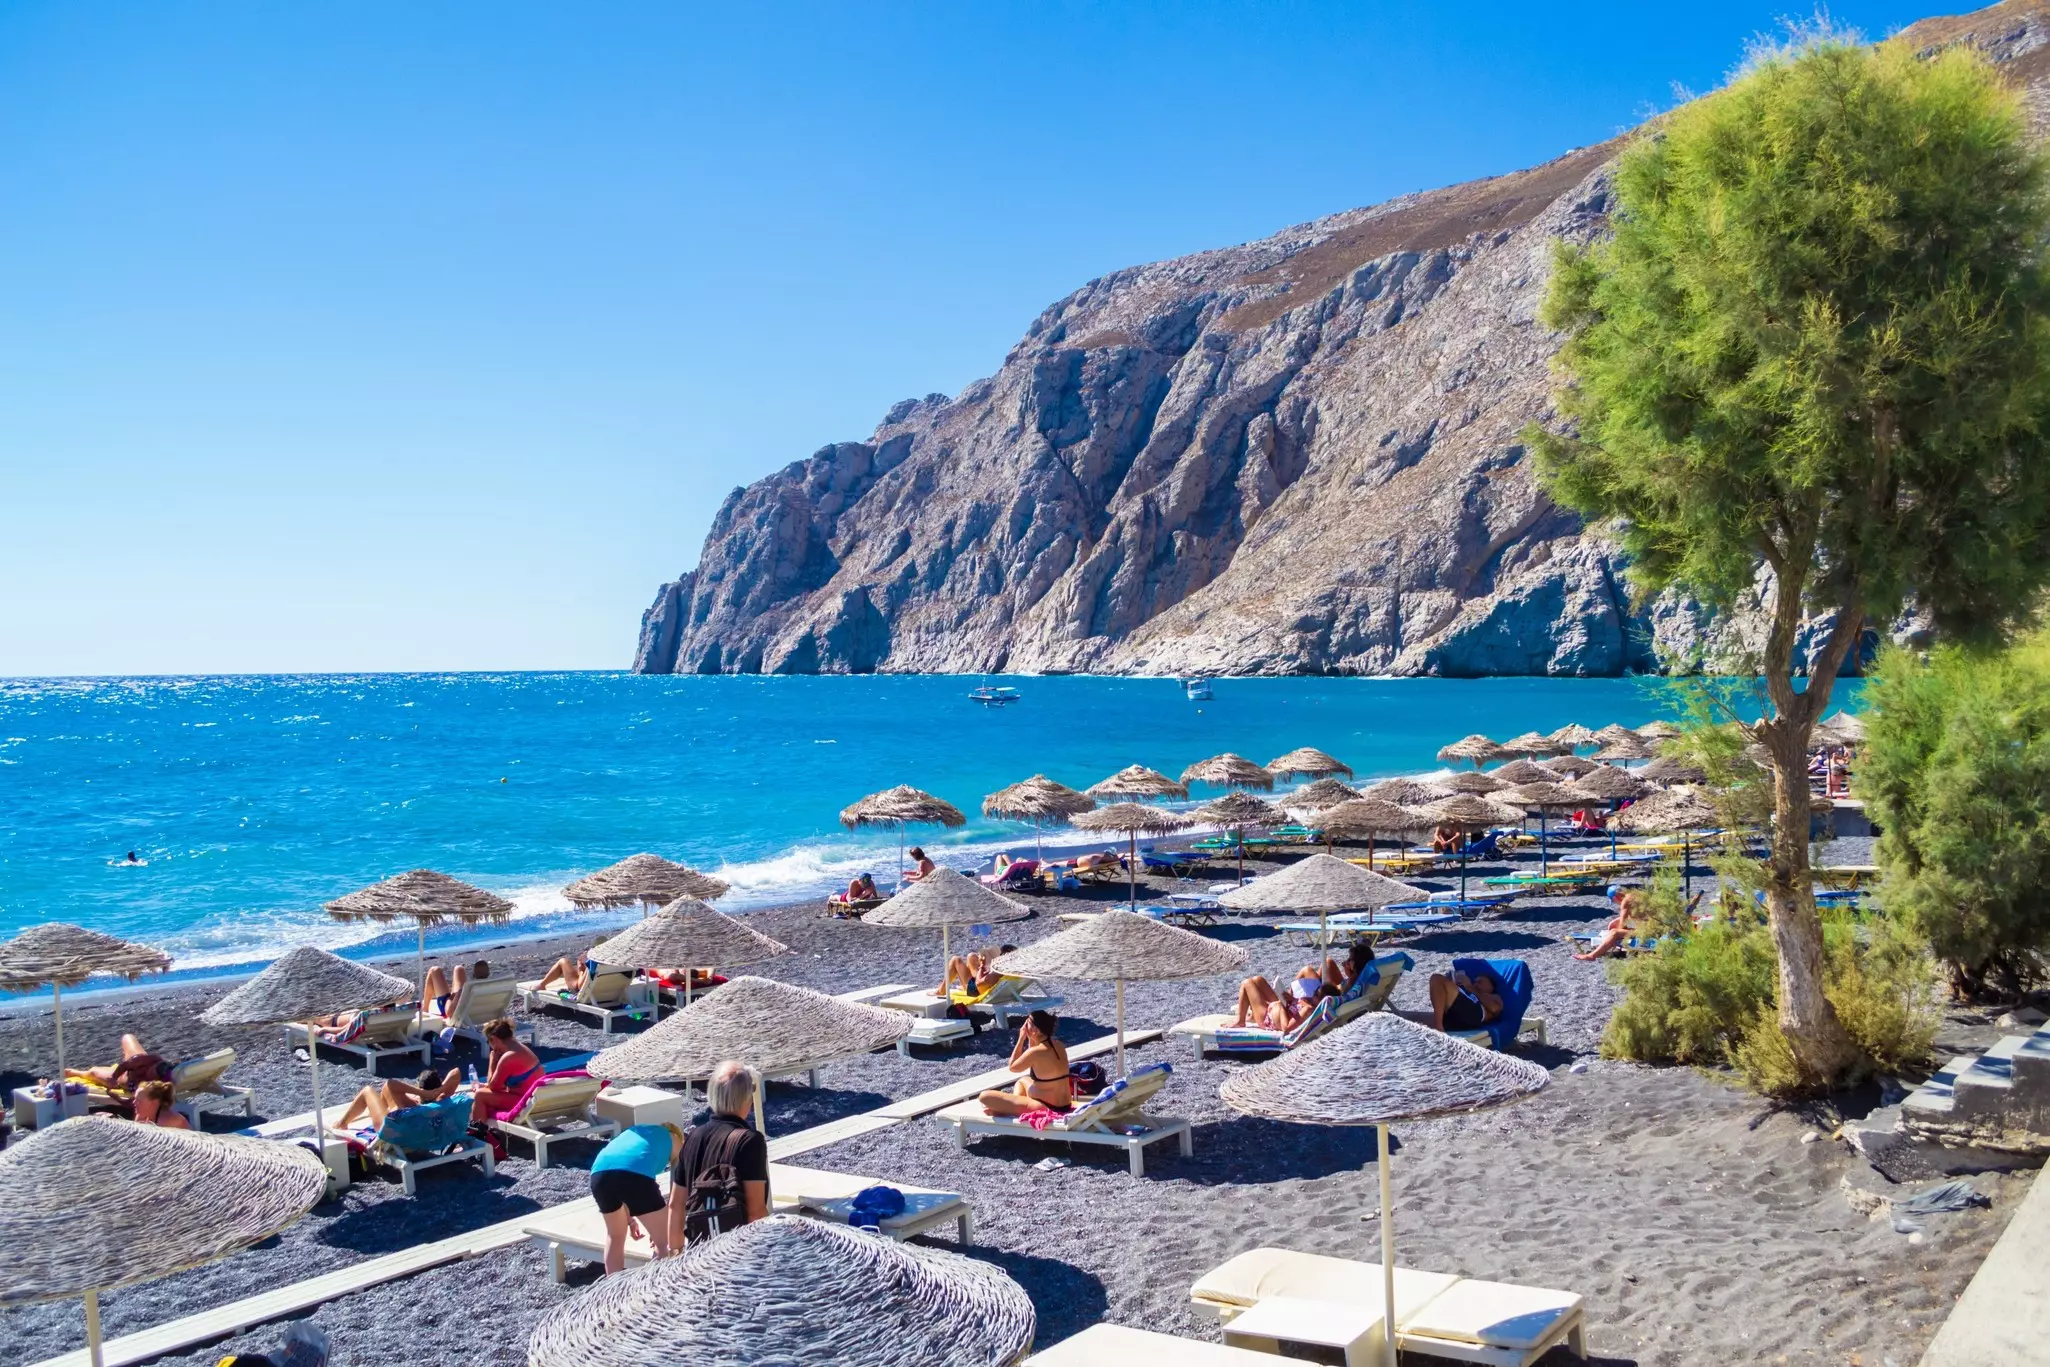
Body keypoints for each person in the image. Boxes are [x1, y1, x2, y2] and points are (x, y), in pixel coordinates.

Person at [668, 1061, 770, 1247]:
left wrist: (676, 1254)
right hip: (737, 1253)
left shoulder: (692, 1138)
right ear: (746, 1099)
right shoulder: (750, 1141)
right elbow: (755, 1212)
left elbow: (676, 1205)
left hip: (700, 1252)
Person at [589, 1121, 686, 1273]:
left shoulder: (638, 1132)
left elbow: (620, 1173)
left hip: (599, 1174)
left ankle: (613, 1291)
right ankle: (655, 1287)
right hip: (634, 1176)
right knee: (666, 1242)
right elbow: (678, 1187)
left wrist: (630, 1218)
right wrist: (665, 1220)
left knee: (614, 1236)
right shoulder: (675, 1140)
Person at [976, 1010, 1071, 1116]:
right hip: (1065, 1104)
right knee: (1022, 1081)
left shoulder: (1036, 1052)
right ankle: (1013, 1106)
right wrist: (1031, 1039)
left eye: (1027, 1024)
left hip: (1045, 1106)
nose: (1024, 1027)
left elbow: (1013, 1067)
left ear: (1035, 1030)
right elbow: (1035, 1062)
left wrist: (1021, 1039)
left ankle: (1009, 1110)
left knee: (984, 1096)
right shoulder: (1059, 1045)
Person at [468, 1018, 543, 1124]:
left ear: (493, 1038)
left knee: (479, 1095)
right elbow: (502, 1085)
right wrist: (486, 1086)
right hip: (535, 1100)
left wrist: (492, 1061)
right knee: (483, 1091)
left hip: (524, 1103)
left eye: (488, 1041)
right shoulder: (521, 1048)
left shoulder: (509, 1056)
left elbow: (493, 1086)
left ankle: (478, 1133)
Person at [1229, 965, 1326, 1031]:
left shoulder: (1308, 1009)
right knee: (1258, 980)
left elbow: (1286, 1028)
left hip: (1268, 1019)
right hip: (1279, 1010)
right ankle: (1254, 1015)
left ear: (1320, 1001)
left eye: (1316, 995)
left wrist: (1281, 1007)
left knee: (1247, 983)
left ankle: (1240, 1021)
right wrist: (1292, 1000)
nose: (1312, 995)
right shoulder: (1310, 1004)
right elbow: (1295, 1011)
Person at [76, 1034, 171, 1089]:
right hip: (132, 1066)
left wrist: (114, 1081)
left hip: (125, 1081)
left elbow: (131, 1101)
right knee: (127, 1037)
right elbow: (125, 1065)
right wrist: (114, 1077)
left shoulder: (153, 1086)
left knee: (93, 1072)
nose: (151, 1075)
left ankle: (76, 1073)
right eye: (152, 1072)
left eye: (154, 1075)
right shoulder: (150, 1060)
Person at [1428, 967, 1502, 1033]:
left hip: (1472, 1012)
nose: (1476, 984)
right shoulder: (1472, 992)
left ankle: (1438, 1027)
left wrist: (1469, 986)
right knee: (1417, 1018)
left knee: (1436, 978)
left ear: (1491, 987)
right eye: (1475, 982)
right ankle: (1438, 1024)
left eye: (1480, 982)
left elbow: (1494, 1008)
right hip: (1454, 1016)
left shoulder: (1494, 996)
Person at [1573, 888, 1640, 960]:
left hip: (1647, 932)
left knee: (1614, 932)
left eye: (1614, 901)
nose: (1617, 903)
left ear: (1615, 897)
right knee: (1615, 929)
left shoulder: (1626, 901)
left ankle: (1592, 956)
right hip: (1649, 927)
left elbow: (1622, 926)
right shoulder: (1636, 895)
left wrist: (1612, 937)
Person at [933, 945, 1016, 998]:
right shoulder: (1009, 970)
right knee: (972, 957)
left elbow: (978, 983)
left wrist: (981, 968)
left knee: (955, 960)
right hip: (984, 987)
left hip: (974, 990)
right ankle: (963, 984)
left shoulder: (995, 974)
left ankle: (941, 990)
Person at [421, 959, 489, 1015]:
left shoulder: (467, 989)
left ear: (474, 974)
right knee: (459, 968)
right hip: (475, 1013)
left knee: (434, 970)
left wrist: (451, 997)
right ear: (488, 973)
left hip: (454, 1013)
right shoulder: (495, 987)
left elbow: (449, 1012)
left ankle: (425, 1009)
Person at [533, 947, 603, 996]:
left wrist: (582, 970)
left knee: (563, 961)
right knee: (580, 961)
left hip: (581, 988)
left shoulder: (593, 963)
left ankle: (542, 984)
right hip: (602, 990)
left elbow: (580, 986)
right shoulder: (611, 963)